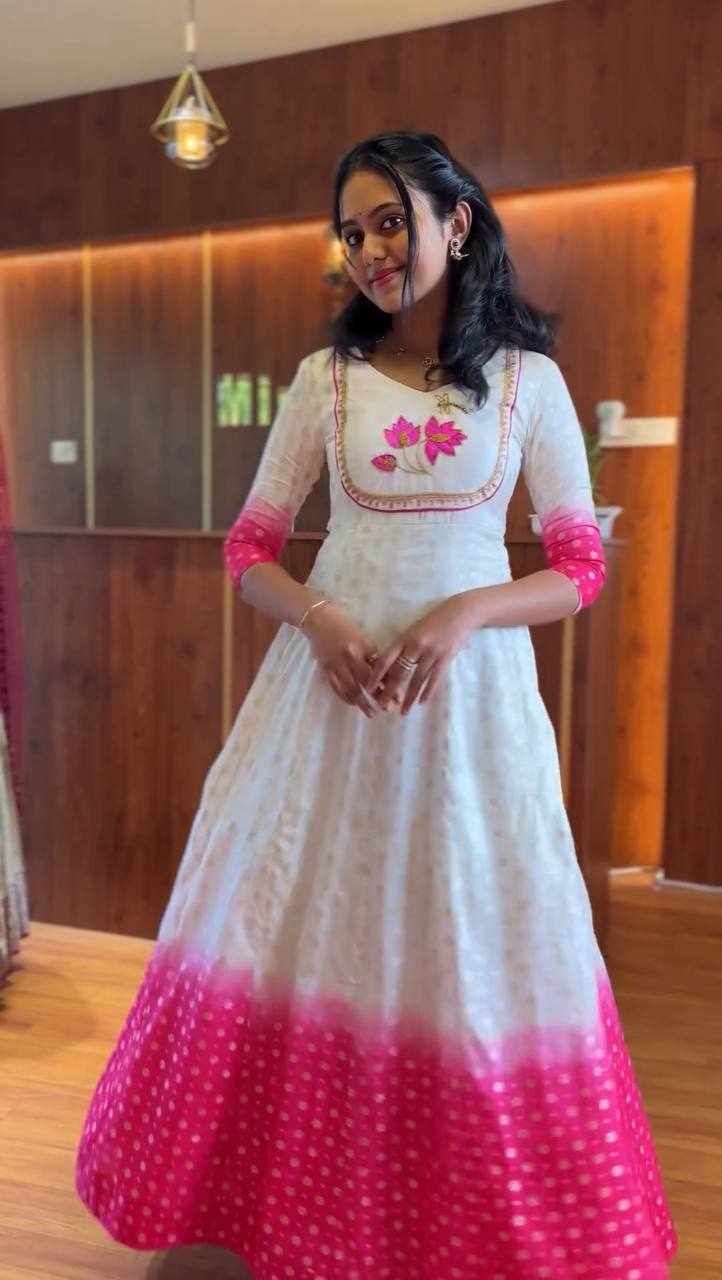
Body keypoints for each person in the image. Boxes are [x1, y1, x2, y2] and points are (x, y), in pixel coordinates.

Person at [76, 131, 677, 1278]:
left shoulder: (528, 383)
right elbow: (249, 548)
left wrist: (466, 613)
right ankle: (281, 1211)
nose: (368, 249)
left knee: (469, 943)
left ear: (457, 221)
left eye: (389, 220)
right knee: (297, 925)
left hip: (469, 719)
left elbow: (578, 567)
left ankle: (459, 1231)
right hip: (324, 711)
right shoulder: (326, 381)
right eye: (351, 231)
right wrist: (317, 617)